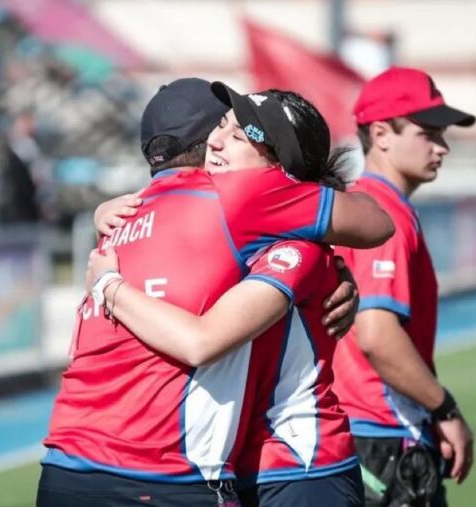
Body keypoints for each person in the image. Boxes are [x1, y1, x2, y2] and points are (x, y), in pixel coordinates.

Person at [38, 78, 393, 506]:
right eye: (220, 126)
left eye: (238, 133)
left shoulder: (123, 220)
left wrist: (108, 281)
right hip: (185, 470)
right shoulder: (235, 201)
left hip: (285, 462)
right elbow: (200, 341)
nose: (219, 142)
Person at [331, 66, 476, 507]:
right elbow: (378, 334)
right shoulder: (380, 213)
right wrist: (444, 409)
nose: (442, 147)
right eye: (427, 132)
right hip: (384, 439)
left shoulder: (359, 206)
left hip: (365, 436)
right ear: (381, 133)